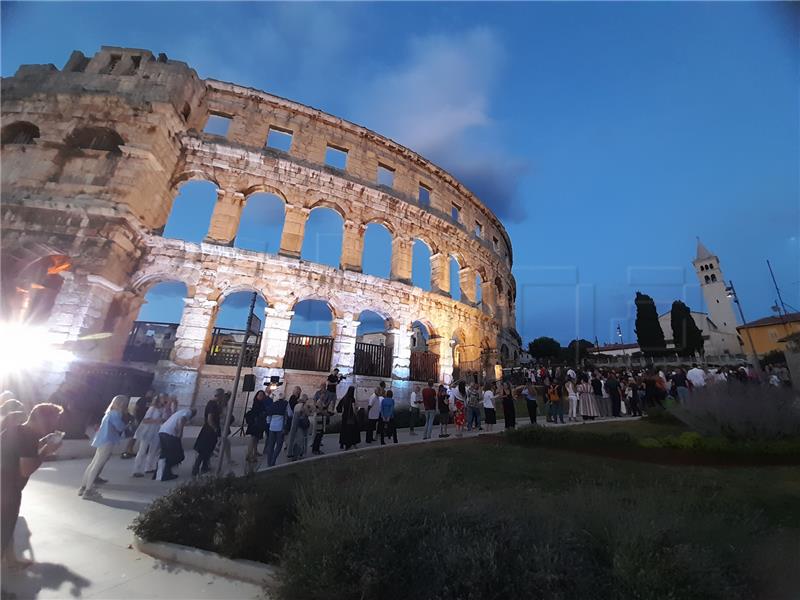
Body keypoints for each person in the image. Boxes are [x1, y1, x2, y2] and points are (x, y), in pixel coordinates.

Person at [1, 403, 63, 570]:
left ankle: (11, 560)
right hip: (7, 490)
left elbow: (16, 453)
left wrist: (41, 443)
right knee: (4, 529)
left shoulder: (17, 430)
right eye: (54, 421)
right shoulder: (28, 437)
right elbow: (26, 469)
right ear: (45, 421)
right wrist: (46, 451)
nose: (55, 426)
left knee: (6, 528)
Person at [78, 395, 128, 499]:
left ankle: (83, 487)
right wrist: (126, 425)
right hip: (107, 441)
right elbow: (119, 427)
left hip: (101, 440)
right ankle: (88, 490)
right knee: (97, 465)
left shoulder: (108, 412)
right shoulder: (116, 414)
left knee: (93, 464)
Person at [156, 407, 195, 481]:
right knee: (178, 455)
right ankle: (165, 472)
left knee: (165, 453)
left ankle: (159, 473)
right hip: (170, 434)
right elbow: (182, 419)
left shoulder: (179, 412)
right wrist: (180, 433)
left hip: (162, 431)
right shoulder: (188, 412)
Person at [132, 393, 165, 477]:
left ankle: (149, 467)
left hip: (156, 431)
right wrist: (157, 421)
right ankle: (137, 469)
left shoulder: (162, 408)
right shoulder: (152, 408)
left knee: (153, 449)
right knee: (142, 450)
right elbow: (145, 420)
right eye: (163, 398)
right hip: (148, 430)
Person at [192, 389, 224, 476]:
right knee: (203, 450)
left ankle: (204, 466)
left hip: (211, 430)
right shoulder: (212, 404)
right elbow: (210, 419)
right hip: (209, 430)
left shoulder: (216, 405)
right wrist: (214, 428)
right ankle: (196, 468)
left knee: (209, 450)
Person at [121, 390, 154, 459]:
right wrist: (135, 418)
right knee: (134, 435)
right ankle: (128, 450)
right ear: (147, 393)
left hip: (146, 421)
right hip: (139, 419)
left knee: (144, 435)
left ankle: (142, 449)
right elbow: (135, 409)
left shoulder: (152, 401)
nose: (150, 394)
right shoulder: (142, 400)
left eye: (152, 393)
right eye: (150, 392)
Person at [243, 389, 269, 475]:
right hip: (255, 423)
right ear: (257, 396)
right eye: (259, 395)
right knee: (253, 438)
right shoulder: (256, 403)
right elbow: (257, 412)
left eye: (262, 395)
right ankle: (249, 455)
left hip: (259, 423)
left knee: (256, 438)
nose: (261, 396)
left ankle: (255, 452)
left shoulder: (262, 403)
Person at [265, 392, 291, 467]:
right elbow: (289, 414)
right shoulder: (286, 403)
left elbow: (269, 415)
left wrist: (269, 423)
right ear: (284, 398)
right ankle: (273, 460)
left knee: (271, 445)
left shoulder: (274, 404)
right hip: (280, 427)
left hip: (272, 426)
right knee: (279, 445)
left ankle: (269, 462)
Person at [286, 395, 311, 461]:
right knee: (300, 440)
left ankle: (291, 453)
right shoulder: (304, 406)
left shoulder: (296, 406)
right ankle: (297, 455)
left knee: (294, 439)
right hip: (301, 425)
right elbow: (308, 414)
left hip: (295, 426)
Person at [311, 383, 331, 455]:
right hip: (319, 417)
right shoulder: (319, 401)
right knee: (318, 433)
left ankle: (316, 447)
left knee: (320, 433)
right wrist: (325, 413)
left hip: (321, 417)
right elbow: (319, 409)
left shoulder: (323, 400)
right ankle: (315, 449)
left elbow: (327, 404)